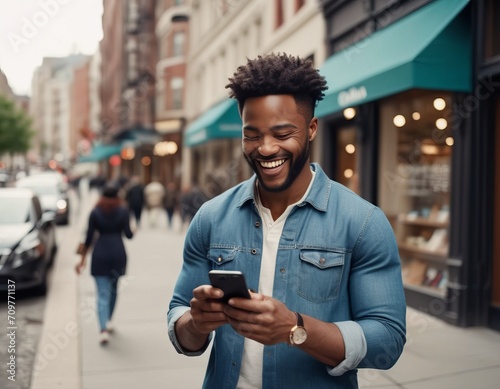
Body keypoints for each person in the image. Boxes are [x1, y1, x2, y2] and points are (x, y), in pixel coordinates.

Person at [167, 53, 406, 388]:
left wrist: (295, 329)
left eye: (282, 133)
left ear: (311, 129)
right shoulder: (210, 217)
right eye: (252, 134)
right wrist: (197, 323)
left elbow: (387, 340)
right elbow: (181, 324)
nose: (265, 148)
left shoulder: (364, 222)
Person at [76, 184, 134, 345]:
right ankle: (108, 320)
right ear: (117, 198)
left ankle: (102, 329)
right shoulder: (123, 211)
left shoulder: (95, 212)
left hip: (100, 253)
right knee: (114, 289)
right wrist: (133, 229)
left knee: (102, 293)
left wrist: (81, 260)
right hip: (118, 253)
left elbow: (88, 238)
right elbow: (128, 235)